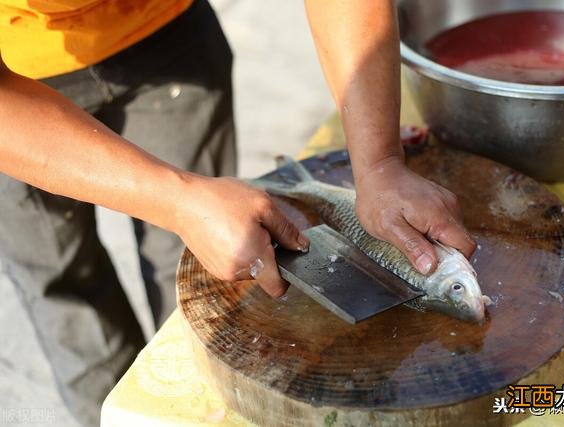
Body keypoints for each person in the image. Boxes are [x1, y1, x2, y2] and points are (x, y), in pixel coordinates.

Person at [0, 0, 475, 424]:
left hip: (164, 29)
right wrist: (177, 199)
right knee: (66, 287)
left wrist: (378, 163)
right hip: (15, 78)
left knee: (199, 265)